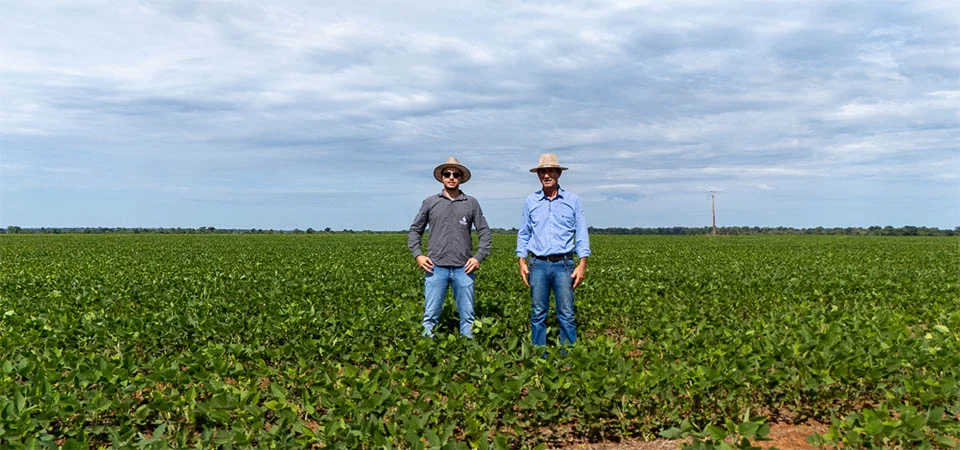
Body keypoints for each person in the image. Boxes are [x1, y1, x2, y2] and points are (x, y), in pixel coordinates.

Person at [409, 157, 492, 338]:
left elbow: (485, 232)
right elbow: (415, 230)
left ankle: (468, 350)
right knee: (430, 316)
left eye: (456, 174)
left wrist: (478, 257)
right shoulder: (430, 202)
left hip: (464, 268)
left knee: (468, 317)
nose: (451, 177)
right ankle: (427, 349)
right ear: (442, 177)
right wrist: (418, 255)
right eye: (447, 174)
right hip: (435, 267)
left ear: (461, 178)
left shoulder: (471, 203)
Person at [516, 153, 591, 347]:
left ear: (559, 173)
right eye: (543, 172)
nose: (546, 175)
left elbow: (581, 233)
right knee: (537, 313)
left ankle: (569, 356)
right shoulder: (531, 201)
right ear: (538, 175)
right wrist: (521, 261)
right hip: (538, 264)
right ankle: (538, 356)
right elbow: (524, 233)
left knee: (566, 313)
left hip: (564, 264)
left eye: (550, 171)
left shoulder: (572, 200)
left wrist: (582, 264)